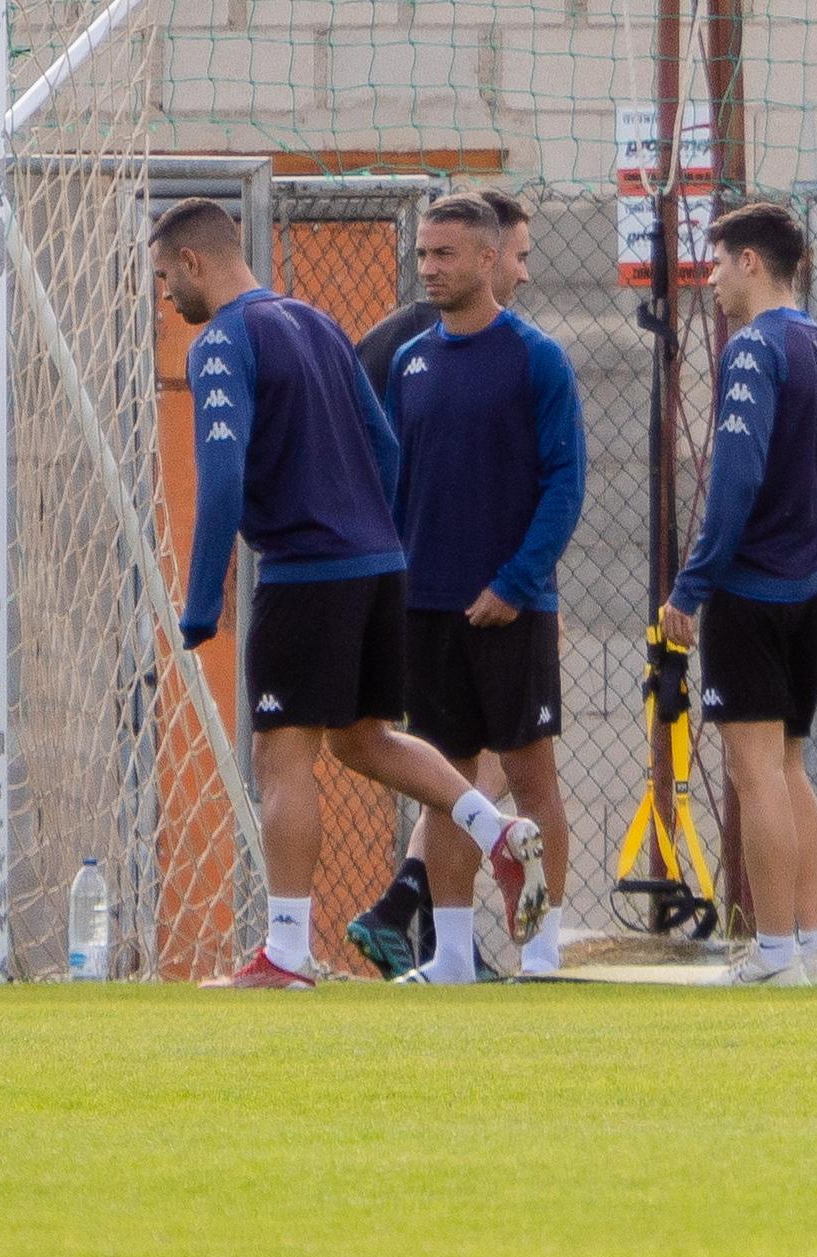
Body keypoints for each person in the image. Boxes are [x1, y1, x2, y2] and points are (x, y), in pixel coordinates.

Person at [149, 197, 544, 990]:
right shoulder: (316, 322)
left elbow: (221, 476)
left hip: (306, 571)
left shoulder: (222, 341)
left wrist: (201, 598)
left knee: (282, 755)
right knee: (364, 740)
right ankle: (493, 827)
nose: (165, 296)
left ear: (193, 261)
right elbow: (385, 443)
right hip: (376, 563)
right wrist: (373, 530)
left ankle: (287, 954)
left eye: (163, 276)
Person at [380, 193, 586, 984]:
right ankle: (454, 958)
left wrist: (516, 581)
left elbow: (565, 484)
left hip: (511, 609)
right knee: (448, 789)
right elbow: (400, 486)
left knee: (533, 781)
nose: (430, 267)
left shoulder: (537, 358)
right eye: (425, 254)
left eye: (446, 255)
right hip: (426, 608)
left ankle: (542, 952)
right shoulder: (411, 362)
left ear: (490, 259)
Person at [657, 201, 817, 987]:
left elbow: (732, 480)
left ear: (750, 262)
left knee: (753, 770)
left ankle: (772, 952)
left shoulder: (752, 352)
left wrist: (691, 585)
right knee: (791, 764)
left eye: (716, 262)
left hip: (752, 585)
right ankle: (815, 946)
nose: (709, 280)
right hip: (811, 580)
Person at [348, 188, 535, 979]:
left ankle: (417, 919)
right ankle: (424, 917)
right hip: (436, 584)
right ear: (487, 254)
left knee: (458, 750)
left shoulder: (438, 340)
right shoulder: (424, 345)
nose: (523, 274)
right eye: (518, 255)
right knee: (469, 749)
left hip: (431, 575)